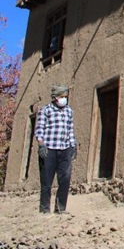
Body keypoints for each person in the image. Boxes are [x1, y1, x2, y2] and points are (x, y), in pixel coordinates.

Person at [35, 84, 77, 214]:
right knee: (46, 181)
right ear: (54, 98)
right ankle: (44, 209)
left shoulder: (69, 111)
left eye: (65, 96)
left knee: (65, 179)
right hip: (49, 149)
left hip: (64, 149)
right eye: (62, 97)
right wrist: (41, 144)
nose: (64, 99)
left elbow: (70, 130)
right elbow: (39, 129)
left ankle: (60, 208)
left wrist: (73, 145)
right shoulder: (45, 110)